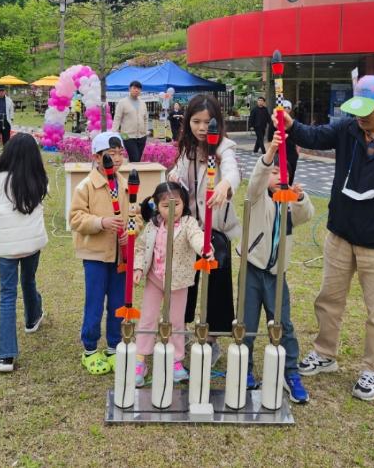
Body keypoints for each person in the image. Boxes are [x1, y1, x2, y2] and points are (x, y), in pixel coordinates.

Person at [279, 74, 374, 402]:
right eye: (357, 109)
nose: (361, 116)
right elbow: (313, 136)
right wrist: (291, 124)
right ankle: (325, 353)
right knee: (328, 299)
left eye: (369, 110)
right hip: (340, 233)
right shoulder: (348, 129)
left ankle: (373, 369)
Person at [243, 130, 315, 403]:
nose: (276, 177)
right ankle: (245, 368)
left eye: (280, 172)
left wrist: (298, 198)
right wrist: (271, 153)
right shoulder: (257, 196)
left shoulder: (287, 202)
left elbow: (305, 216)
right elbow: (255, 182)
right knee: (247, 322)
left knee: (283, 323)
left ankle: (290, 373)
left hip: (276, 274)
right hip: (252, 270)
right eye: (273, 172)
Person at [169, 94, 240, 365]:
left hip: (216, 230)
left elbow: (233, 171)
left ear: (217, 124)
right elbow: (177, 173)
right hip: (190, 229)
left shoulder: (224, 147)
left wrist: (224, 185)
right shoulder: (187, 149)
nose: (201, 128)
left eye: (207, 122)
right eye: (196, 121)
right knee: (186, 281)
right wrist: (173, 176)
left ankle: (212, 338)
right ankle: (182, 328)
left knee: (217, 282)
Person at [69, 131, 143, 375]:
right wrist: (101, 222)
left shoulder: (124, 184)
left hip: (120, 257)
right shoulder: (86, 186)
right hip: (95, 256)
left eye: (120, 153)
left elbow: (137, 215)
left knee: (118, 303)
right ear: (96, 157)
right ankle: (90, 348)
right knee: (94, 302)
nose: (117, 158)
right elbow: (76, 218)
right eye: (110, 154)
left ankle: (114, 345)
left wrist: (130, 231)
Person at [0, 133, 49, 373]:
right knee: (28, 280)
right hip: (32, 243)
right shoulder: (39, 179)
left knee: (7, 295)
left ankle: (5, 356)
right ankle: (32, 318)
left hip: (7, 247)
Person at [132, 182, 205, 387]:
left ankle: (175, 360)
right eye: (165, 205)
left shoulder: (189, 223)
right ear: (156, 206)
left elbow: (197, 237)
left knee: (176, 320)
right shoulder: (153, 226)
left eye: (177, 203)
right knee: (148, 318)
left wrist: (204, 248)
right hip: (155, 279)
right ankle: (140, 360)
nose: (172, 209)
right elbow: (140, 247)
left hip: (179, 282)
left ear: (184, 203)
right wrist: (138, 268)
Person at [112, 80, 149, 163]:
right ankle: (133, 174)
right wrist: (114, 132)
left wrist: (146, 131)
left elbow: (145, 118)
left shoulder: (143, 103)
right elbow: (117, 118)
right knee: (135, 158)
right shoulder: (122, 102)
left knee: (137, 159)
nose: (136, 90)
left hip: (142, 136)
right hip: (127, 136)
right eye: (134, 88)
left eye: (139, 89)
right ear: (130, 89)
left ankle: (132, 174)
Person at [266, 100, 299, 183]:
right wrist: (270, 153)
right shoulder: (274, 122)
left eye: (288, 108)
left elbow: (298, 139)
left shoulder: (293, 122)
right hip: (278, 152)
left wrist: (297, 151)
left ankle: (289, 189)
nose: (286, 109)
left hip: (291, 152)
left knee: (290, 174)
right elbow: (270, 139)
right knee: (278, 174)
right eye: (284, 107)